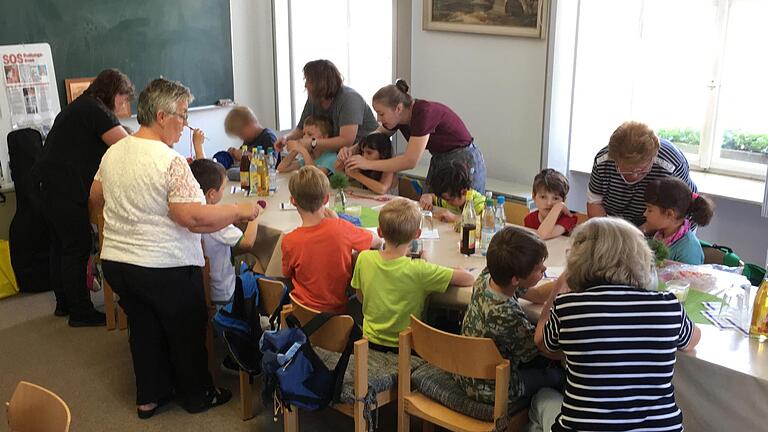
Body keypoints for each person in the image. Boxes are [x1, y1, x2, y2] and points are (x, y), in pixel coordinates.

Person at [90, 78, 261, 418]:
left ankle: (150, 397)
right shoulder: (170, 160)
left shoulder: (115, 151)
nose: (186, 125)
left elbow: (95, 197)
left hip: (119, 262)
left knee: (144, 328)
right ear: (163, 115)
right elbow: (193, 218)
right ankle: (199, 395)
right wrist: (239, 211)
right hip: (163, 264)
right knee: (185, 328)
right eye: (183, 116)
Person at [535, 217, 701, 432]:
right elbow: (692, 340)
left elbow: (541, 341)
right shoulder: (668, 305)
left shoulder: (568, 306)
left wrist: (559, 286)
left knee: (541, 398)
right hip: (661, 429)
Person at [33, 68, 133, 326]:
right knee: (76, 247)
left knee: (61, 246)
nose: (123, 105)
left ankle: (64, 304)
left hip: (47, 184)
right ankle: (81, 312)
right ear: (113, 93)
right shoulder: (95, 110)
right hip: (63, 188)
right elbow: (128, 146)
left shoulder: (82, 106)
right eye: (123, 99)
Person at [457, 226, 563, 432]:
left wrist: (560, 285)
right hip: (490, 386)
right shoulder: (506, 314)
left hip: (464, 368)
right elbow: (541, 348)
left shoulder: (489, 276)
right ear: (516, 279)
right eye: (539, 268)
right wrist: (552, 300)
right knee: (558, 376)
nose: (544, 270)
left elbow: (534, 294)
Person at [351, 199, 474, 352]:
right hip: (407, 350)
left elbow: (360, 297)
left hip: (368, 344)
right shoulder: (420, 270)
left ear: (380, 232)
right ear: (417, 234)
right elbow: (468, 278)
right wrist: (427, 262)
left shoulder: (364, 258)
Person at [339, 79, 487, 196]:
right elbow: (377, 134)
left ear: (398, 108)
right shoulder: (399, 118)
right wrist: (352, 150)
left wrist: (367, 164)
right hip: (441, 159)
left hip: (464, 159)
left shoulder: (423, 113)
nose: (378, 118)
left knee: (466, 212)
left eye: (381, 113)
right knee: (429, 206)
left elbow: (410, 161)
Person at [282, 166, 383, 314]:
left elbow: (286, 274)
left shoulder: (289, 240)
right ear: (326, 199)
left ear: (293, 201)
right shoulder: (341, 228)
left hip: (301, 314)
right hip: (337, 314)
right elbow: (376, 240)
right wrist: (338, 222)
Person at [587, 121, 697, 229]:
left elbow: (674, 216)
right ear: (615, 161)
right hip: (619, 219)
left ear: (652, 157)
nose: (635, 175)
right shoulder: (603, 161)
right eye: (628, 170)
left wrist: (636, 235)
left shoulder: (671, 166)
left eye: (642, 170)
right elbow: (594, 203)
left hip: (668, 225)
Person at [275, 59, 378, 157]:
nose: (306, 85)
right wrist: (286, 138)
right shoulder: (314, 99)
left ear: (320, 83)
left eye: (308, 81)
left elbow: (346, 140)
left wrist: (313, 143)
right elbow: (300, 129)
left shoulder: (349, 99)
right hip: (339, 156)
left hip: (368, 154)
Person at [644, 178, 714, 264]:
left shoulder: (689, 249)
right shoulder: (660, 235)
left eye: (649, 210)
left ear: (669, 214)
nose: (645, 214)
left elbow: (690, 276)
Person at [420, 160, 484, 223]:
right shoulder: (449, 199)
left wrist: (454, 218)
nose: (446, 202)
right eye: (444, 199)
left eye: (448, 199)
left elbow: (484, 223)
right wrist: (428, 196)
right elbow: (433, 197)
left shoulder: (478, 204)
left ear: (464, 192)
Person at [524, 169, 578, 239]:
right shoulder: (530, 219)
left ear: (564, 200)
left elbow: (542, 235)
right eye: (543, 197)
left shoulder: (568, 219)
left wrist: (558, 207)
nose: (549, 203)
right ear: (534, 197)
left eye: (555, 198)